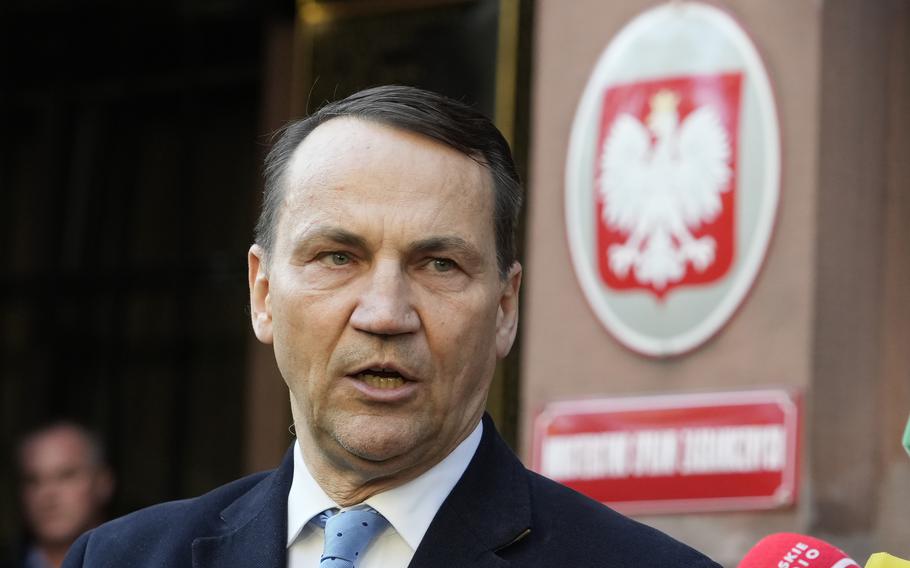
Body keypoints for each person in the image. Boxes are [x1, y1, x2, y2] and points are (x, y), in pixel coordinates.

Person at [63, 85, 721, 567]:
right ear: (263, 293)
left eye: (438, 264)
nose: (385, 315)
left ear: (504, 308)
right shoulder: (121, 559)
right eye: (337, 257)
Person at [14, 423, 114, 568]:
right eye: (33, 480)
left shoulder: (144, 560)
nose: (47, 494)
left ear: (103, 483)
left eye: (66, 476)